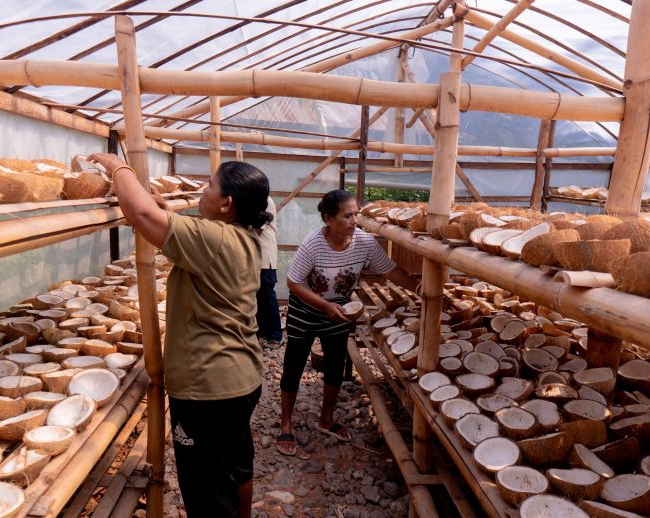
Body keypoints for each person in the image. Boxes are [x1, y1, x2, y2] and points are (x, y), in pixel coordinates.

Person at [87, 153, 270, 518]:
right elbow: (166, 222)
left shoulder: (214, 238)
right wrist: (162, 209)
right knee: (235, 466)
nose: (204, 190)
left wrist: (116, 166)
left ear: (226, 204)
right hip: (240, 378)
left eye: (210, 186)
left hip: (208, 388)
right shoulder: (244, 236)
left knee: (207, 492)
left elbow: (140, 216)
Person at [277, 189, 417, 456]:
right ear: (328, 219)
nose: (355, 220)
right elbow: (293, 283)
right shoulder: (314, 243)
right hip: (306, 310)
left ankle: (326, 419)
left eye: (357, 214)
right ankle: (286, 422)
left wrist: (421, 288)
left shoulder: (364, 242)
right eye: (348, 215)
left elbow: (390, 271)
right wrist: (325, 305)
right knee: (293, 364)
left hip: (339, 310)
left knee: (335, 365)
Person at [256, 197, 284, 349]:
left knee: (267, 295)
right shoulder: (253, 198)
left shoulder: (264, 200)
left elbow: (257, 230)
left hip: (265, 257)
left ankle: (275, 335)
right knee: (258, 296)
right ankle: (262, 332)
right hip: (255, 257)